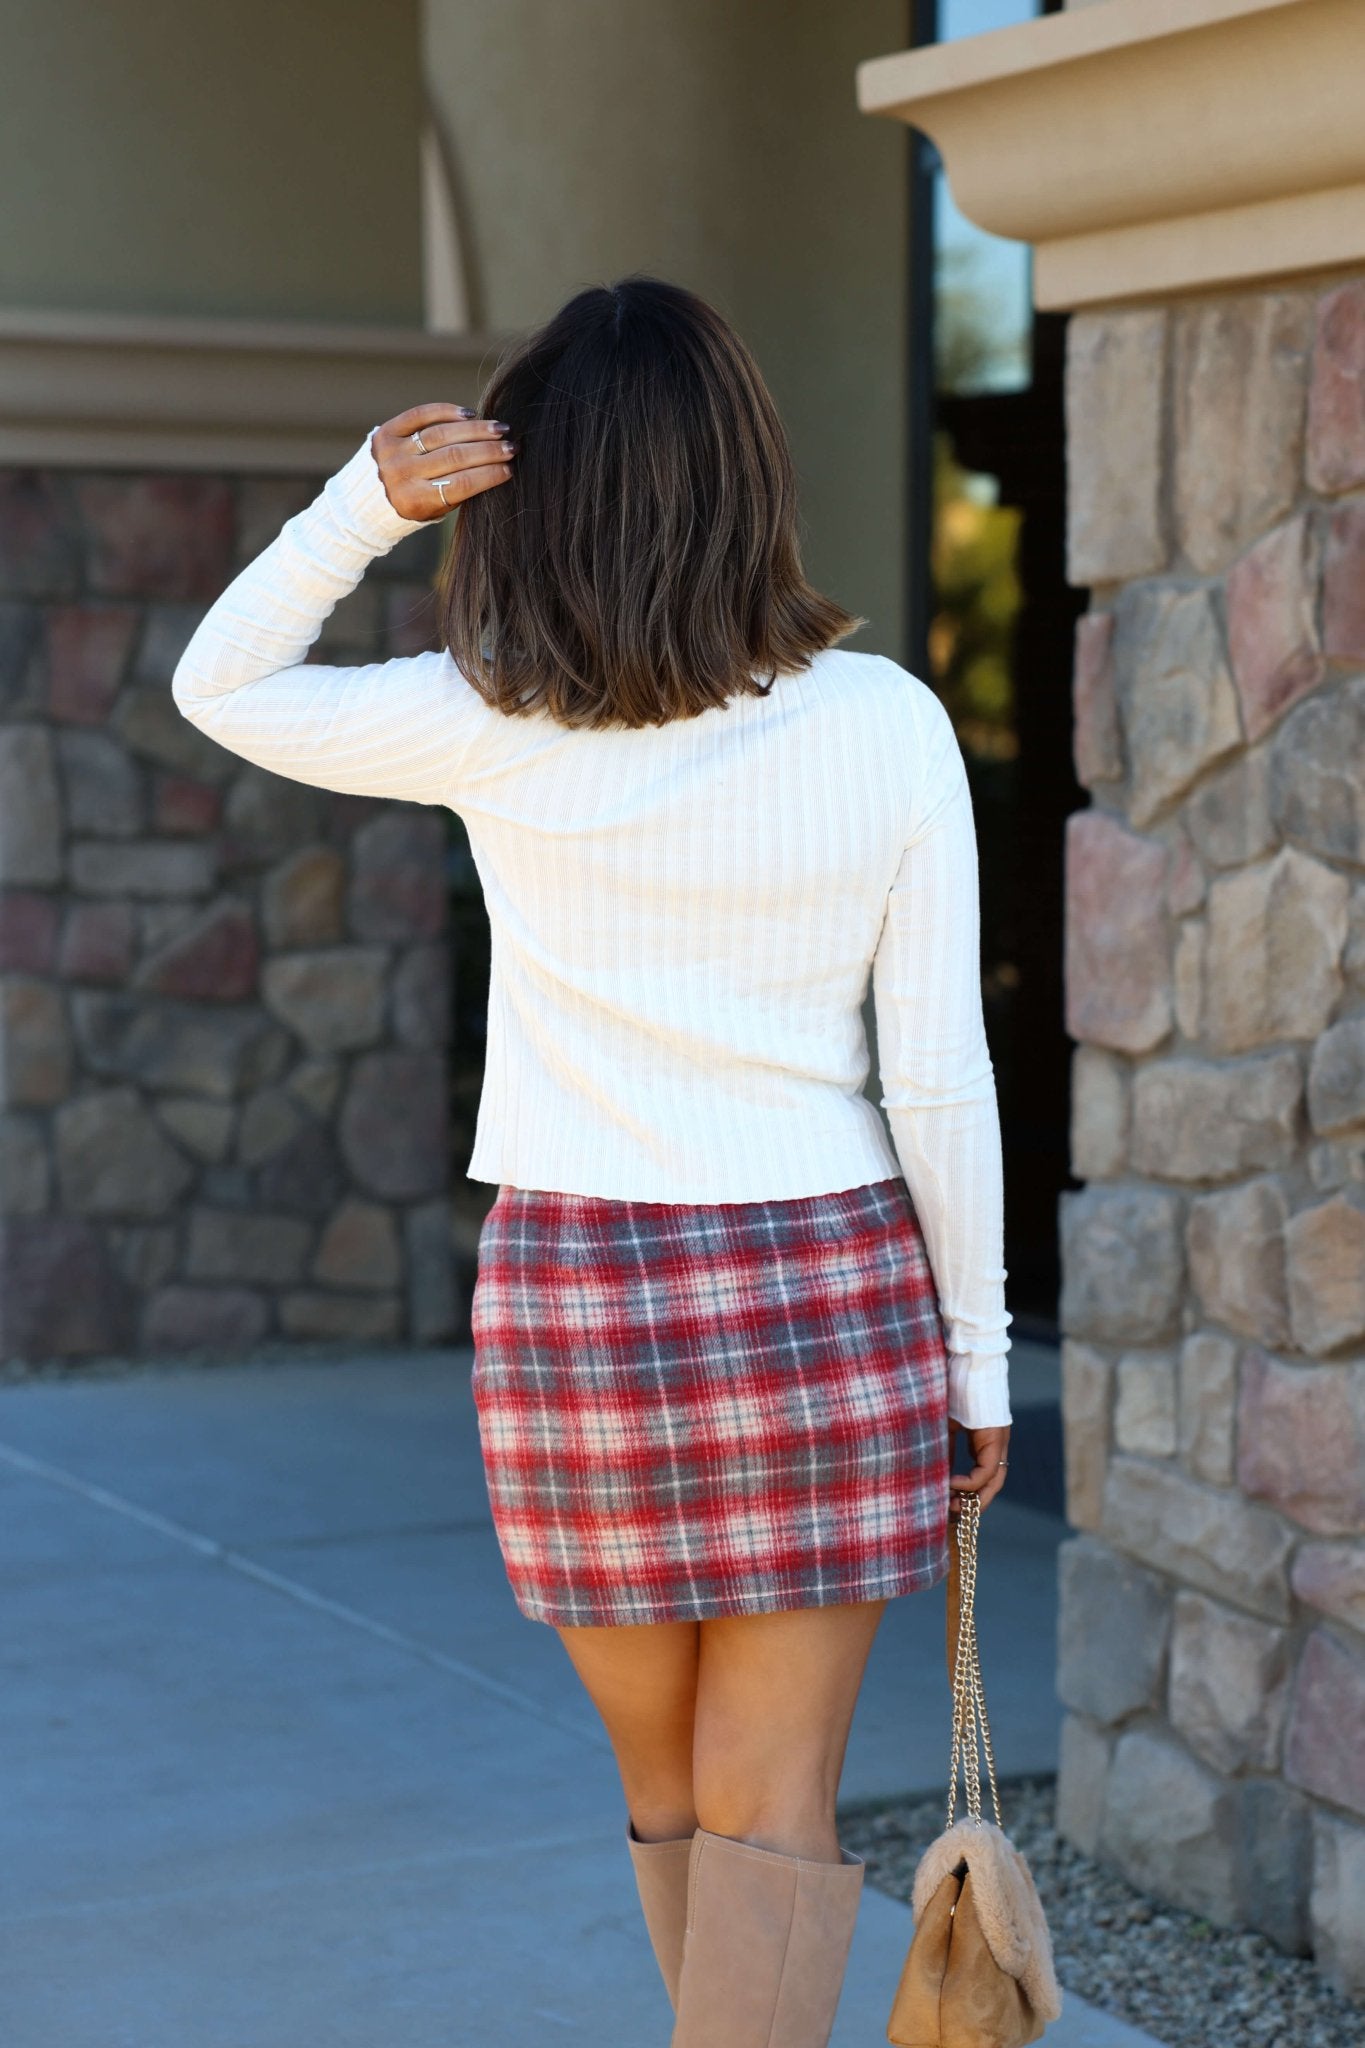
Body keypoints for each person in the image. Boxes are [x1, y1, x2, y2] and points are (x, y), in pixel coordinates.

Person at [172, 274, 1012, 2048]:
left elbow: (219, 684)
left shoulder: (490, 712)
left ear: (529, 489)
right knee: (769, 1796)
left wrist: (360, 508)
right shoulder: (884, 724)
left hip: (580, 1298)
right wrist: (978, 1362)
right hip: (823, 1288)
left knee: (666, 1790)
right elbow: (940, 1076)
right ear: (747, 475)